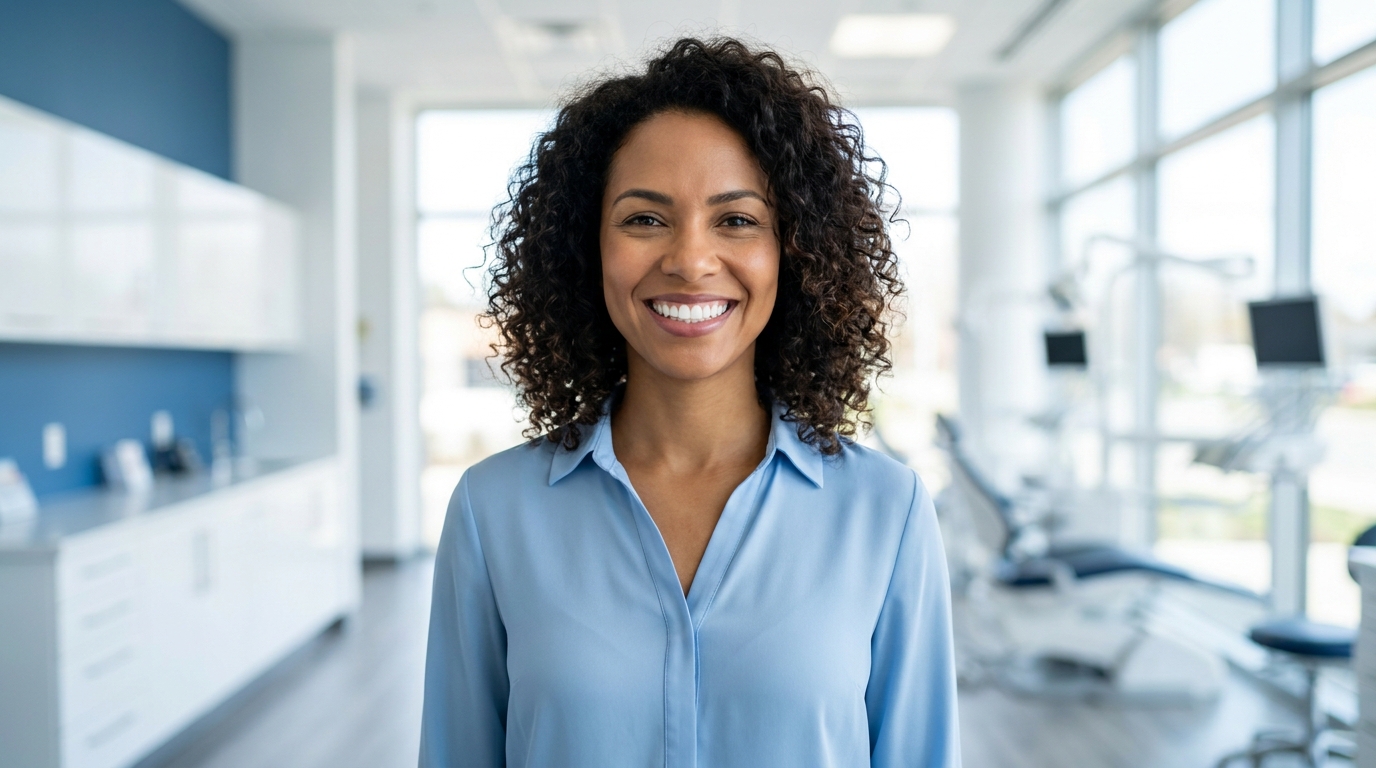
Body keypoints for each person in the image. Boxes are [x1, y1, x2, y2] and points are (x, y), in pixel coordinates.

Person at [420, 37, 960, 768]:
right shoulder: (493, 511)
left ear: (793, 250)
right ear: (589, 246)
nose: (690, 259)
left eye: (736, 220)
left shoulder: (886, 512)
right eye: (645, 219)